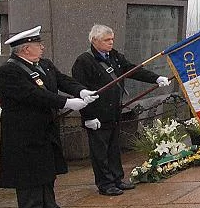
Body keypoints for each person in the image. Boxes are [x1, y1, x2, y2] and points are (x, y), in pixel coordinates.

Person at [0, 26, 98, 208]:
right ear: (25, 49)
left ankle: (48, 206)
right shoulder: (9, 71)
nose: (42, 47)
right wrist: (66, 103)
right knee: (27, 173)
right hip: (22, 131)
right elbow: (32, 95)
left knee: (46, 168)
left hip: (45, 127)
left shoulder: (44, 64)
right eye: (37, 45)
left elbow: (62, 80)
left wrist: (82, 90)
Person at [72, 24, 170, 196]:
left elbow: (132, 70)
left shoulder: (114, 56)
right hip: (97, 114)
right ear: (95, 41)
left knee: (113, 148)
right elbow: (80, 90)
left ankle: (117, 178)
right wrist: (88, 116)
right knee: (100, 151)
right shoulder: (84, 61)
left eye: (112, 39)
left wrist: (156, 78)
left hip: (114, 111)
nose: (111, 43)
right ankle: (105, 183)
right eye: (106, 40)